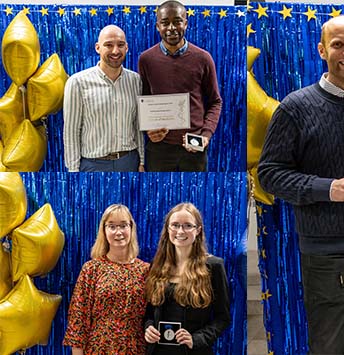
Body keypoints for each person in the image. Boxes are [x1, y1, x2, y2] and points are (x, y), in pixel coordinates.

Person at [258, 15, 344, 354]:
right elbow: (270, 174)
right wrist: (327, 188)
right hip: (326, 254)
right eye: (338, 44)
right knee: (328, 346)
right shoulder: (295, 107)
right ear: (322, 50)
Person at [138, 0, 222, 172]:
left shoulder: (203, 58)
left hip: (194, 145)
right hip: (159, 147)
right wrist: (148, 129)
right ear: (157, 26)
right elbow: (143, 101)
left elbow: (215, 101)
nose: (171, 28)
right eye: (165, 22)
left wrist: (206, 136)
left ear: (185, 23)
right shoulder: (146, 59)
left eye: (177, 21)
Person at [143, 203, 230, 355]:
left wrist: (196, 339)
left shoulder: (213, 266)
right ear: (168, 229)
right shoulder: (156, 266)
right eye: (175, 225)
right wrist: (148, 328)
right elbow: (149, 313)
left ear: (198, 230)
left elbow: (222, 317)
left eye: (187, 225)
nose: (180, 231)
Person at [63, 204, 149, 354]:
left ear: (131, 228)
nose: (118, 232)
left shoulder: (146, 271)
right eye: (112, 226)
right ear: (104, 230)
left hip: (135, 348)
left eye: (123, 225)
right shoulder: (92, 269)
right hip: (99, 348)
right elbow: (78, 319)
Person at [63, 25, 144, 172]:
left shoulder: (135, 81)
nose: (115, 51)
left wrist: (142, 161)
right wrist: (73, 171)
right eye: (108, 45)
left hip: (129, 162)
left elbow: (138, 125)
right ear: (97, 47)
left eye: (120, 45)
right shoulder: (78, 82)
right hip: (93, 165)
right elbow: (71, 131)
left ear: (126, 48)